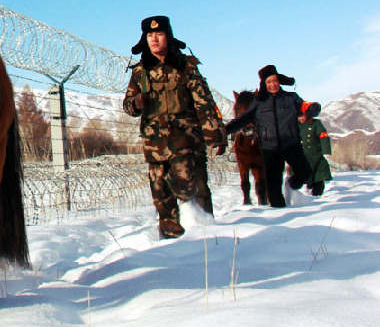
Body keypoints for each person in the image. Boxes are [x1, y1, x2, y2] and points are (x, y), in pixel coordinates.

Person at [123, 16, 227, 239]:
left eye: (159, 34)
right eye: (149, 36)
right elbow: (128, 106)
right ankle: (172, 244)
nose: (154, 39)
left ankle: (206, 235)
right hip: (155, 145)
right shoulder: (140, 72)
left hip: (186, 140)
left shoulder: (185, 66)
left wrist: (214, 134)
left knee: (190, 185)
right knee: (161, 197)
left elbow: (203, 101)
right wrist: (136, 103)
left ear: (168, 37)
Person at [225, 64, 320, 207]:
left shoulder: (291, 97)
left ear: (279, 81)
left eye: (275, 81)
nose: (273, 84)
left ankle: (291, 185)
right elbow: (243, 119)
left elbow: (304, 106)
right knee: (274, 189)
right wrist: (224, 130)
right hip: (270, 148)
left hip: (291, 143)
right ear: (264, 84)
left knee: (305, 173)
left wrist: (313, 108)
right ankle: (281, 217)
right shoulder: (259, 103)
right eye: (269, 82)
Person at [298, 110, 332, 197]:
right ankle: (306, 194)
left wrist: (326, 152)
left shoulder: (316, 123)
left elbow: (323, 136)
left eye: (303, 116)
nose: (301, 118)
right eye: (299, 116)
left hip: (317, 155)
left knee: (319, 176)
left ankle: (318, 195)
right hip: (302, 156)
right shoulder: (295, 125)